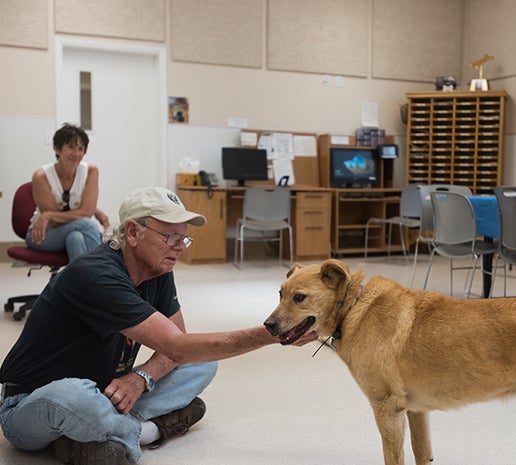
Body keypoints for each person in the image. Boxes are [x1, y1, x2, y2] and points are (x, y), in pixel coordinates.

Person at [0, 186, 317, 465]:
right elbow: (176, 347)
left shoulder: (159, 269)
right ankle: (148, 432)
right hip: (30, 403)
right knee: (75, 396)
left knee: (203, 364)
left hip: (104, 389)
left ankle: (92, 437)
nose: (179, 246)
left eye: (183, 238)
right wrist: (273, 333)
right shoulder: (95, 274)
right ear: (134, 232)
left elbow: (179, 349)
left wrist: (139, 379)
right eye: (170, 237)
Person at [26, 123, 109, 261]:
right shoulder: (41, 176)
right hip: (42, 234)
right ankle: (101, 272)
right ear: (57, 149)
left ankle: (80, 282)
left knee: (75, 238)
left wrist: (49, 215)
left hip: (74, 231)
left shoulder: (91, 172)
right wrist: (49, 217)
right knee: (87, 224)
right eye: (71, 147)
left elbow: (86, 212)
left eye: (81, 149)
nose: (76, 154)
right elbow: (56, 222)